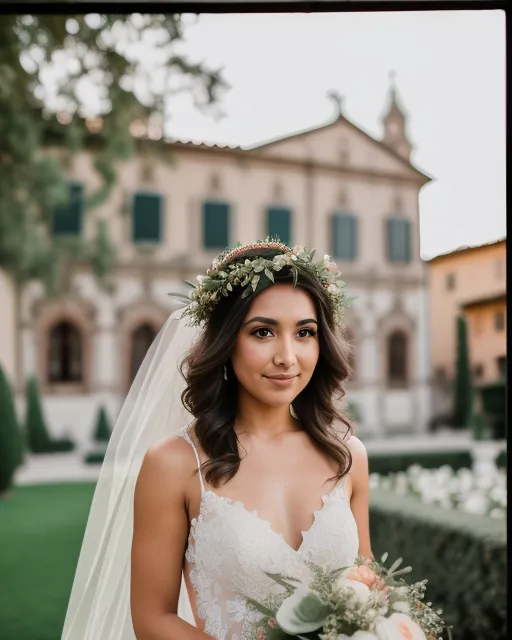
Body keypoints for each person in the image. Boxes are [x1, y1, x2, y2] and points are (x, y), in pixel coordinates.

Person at [62, 240, 373, 640]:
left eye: (304, 333)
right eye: (263, 332)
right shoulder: (173, 463)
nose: (287, 356)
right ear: (226, 343)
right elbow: (152, 619)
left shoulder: (348, 456)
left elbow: (363, 588)